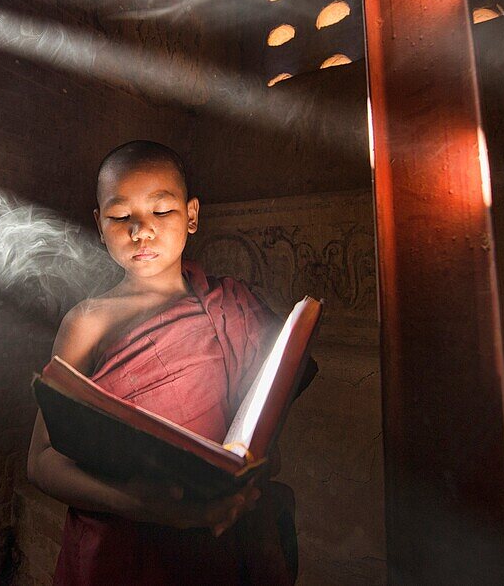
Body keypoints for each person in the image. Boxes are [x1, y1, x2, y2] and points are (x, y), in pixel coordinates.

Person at [27, 140, 314, 585]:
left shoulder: (229, 306)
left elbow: (261, 437)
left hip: (218, 539)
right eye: (122, 216)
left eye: (161, 212)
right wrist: (139, 503)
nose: (141, 231)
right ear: (99, 225)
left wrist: (246, 476)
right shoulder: (88, 322)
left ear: (192, 215)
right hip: (121, 546)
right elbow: (42, 459)